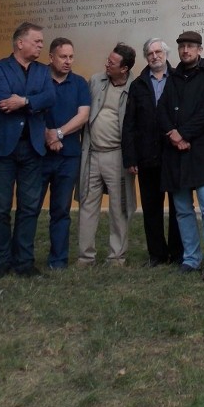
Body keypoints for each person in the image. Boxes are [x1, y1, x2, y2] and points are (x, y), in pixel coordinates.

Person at [0, 21, 55, 277]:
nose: (41, 45)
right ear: (20, 42)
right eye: (37, 41)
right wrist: (34, 102)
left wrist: (23, 100)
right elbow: (1, 98)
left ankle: (24, 262)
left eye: (42, 42)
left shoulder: (43, 71)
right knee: (0, 209)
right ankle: (1, 263)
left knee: (29, 207)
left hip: (32, 148)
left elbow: (50, 97)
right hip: (2, 150)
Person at [160, 32, 204, 282]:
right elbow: (162, 109)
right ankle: (191, 258)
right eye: (182, 47)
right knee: (182, 208)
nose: (185, 51)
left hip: (201, 149)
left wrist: (184, 133)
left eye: (190, 47)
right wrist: (173, 135)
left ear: (199, 49)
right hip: (175, 151)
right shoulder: (173, 76)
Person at [122, 38, 182, 267]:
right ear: (146, 57)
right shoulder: (138, 84)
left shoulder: (178, 79)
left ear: (166, 54)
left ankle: (178, 254)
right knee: (151, 207)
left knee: (179, 206)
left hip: (174, 154)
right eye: (150, 53)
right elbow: (129, 124)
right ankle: (157, 255)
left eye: (158, 52)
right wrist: (130, 156)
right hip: (147, 155)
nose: (155, 56)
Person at [77, 44, 136, 267]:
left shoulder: (135, 87)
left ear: (125, 68)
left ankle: (116, 257)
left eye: (112, 63)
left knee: (119, 208)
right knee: (87, 204)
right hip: (92, 154)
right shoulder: (95, 81)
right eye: (108, 60)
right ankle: (85, 257)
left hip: (118, 156)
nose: (107, 64)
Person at [38, 38, 90, 270]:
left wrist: (57, 134)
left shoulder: (79, 83)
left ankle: (58, 260)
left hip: (68, 157)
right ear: (51, 57)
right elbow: (32, 112)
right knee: (30, 208)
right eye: (63, 57)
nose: (68, 61)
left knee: (61, 210)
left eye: (71, 57)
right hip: (39, 155)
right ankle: (22, 259)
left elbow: (83, 116)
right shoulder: (38, 79)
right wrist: (46, 135)